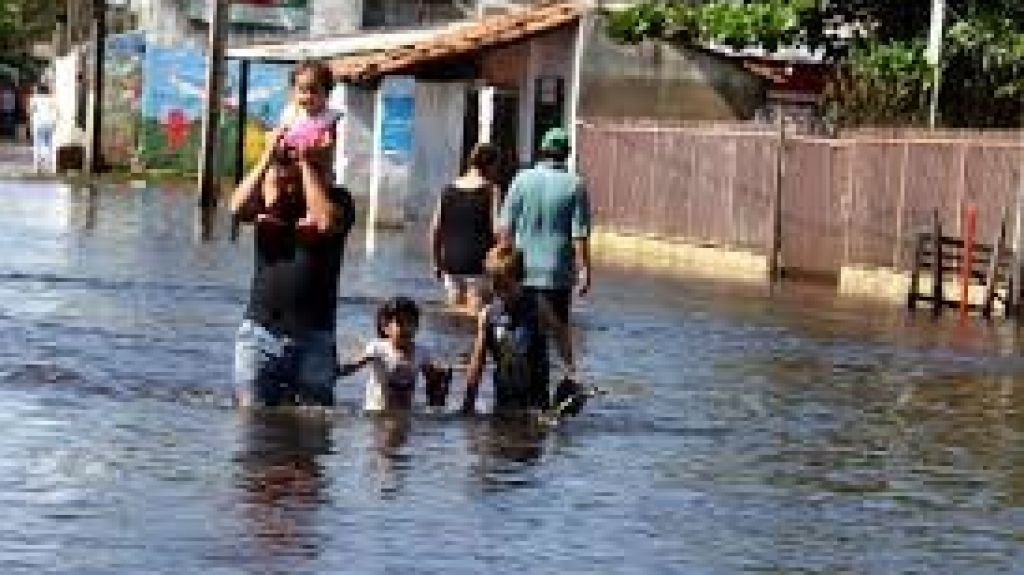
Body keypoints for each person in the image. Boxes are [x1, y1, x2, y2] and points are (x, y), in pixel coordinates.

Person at [229, 60, 355, 409]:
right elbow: (236, 208)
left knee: (312, 437)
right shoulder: (270, 203)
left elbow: (325, 222)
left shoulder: (338, 201)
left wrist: (306, 164)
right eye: (279, 175)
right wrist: (268, 159)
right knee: (253, 436)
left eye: (286, 175)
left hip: (314, 339)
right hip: (259, 337)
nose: (282, 182)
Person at [461, 246, 577, 414]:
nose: (499, 292)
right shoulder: (488, 315)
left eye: (504, 286)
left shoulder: (537, 305)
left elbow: (560, 332)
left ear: (520, 279)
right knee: (499, 438)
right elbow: (478, 361)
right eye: (494, 285)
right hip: (504, 399)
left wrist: (570, 370)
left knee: (532, 434)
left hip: (536, 400)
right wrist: (468, 403)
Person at [497, 127, 591, 327]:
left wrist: (504, 267)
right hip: (557, 275)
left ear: (541, 150)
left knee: (520, 332)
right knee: (555, 333)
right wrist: (584, 272)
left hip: (522, 271)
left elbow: (505, 228)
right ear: (567, 153)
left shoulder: (521, 179)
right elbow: (579, 235)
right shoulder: (576, 185)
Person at [338, 297, 452, 412]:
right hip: (377, 411)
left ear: (417, 327)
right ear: (385, 327)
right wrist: (337, 371)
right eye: (400, 323)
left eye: (410, 323)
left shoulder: (421, 352)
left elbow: (432, 379)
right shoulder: (377, 348)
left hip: (405, 411)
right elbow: (354, 365)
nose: (406, 328)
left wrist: (440, 375)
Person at [428, 142, 501, 314]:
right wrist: (502, 260)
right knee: (475, 317)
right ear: (490, 165)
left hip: (451, 262)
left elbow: (435, 229)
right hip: (479, 263)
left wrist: (436, 263)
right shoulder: (491, 190)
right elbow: (496, 228)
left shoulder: (447, 189)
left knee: (454, 315)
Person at [28, 85, 57, 173]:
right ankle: (49, 165)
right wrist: (55, 122)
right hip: (49, 123)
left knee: (38, 144)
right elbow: (57, 111)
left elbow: (30, 111)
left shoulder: (34, 99)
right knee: (49, 144)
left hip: (38, 123)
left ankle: (37, 167)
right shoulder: (52, 99)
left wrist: (30, 123)